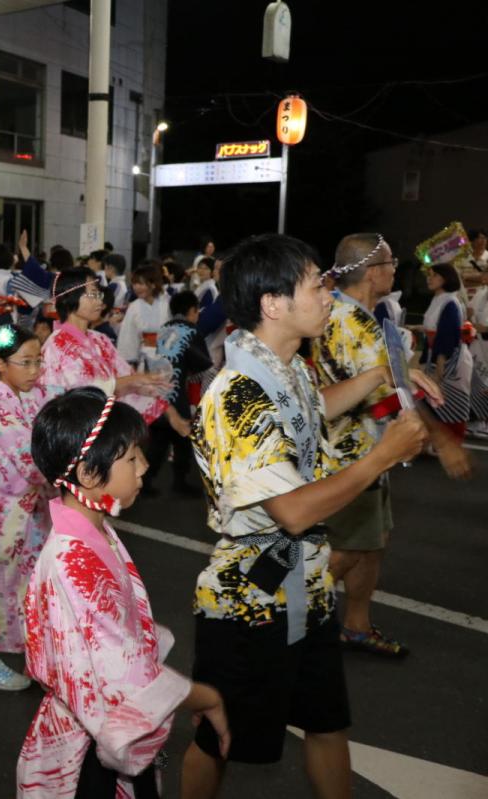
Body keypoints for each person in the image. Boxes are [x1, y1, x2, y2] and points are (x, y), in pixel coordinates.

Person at [180, 233, 427, 799]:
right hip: (249, 603)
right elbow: (291, 511)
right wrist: (381, 456)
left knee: (327, 722)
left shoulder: (286, 368)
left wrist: (381, 374)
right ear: (273, 303)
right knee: (219, 741)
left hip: (306, 588)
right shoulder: (239, 394)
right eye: (316, 282)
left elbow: (318, 408)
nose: (328, 292)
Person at [18, 387, 228, 797]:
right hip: (91, 756)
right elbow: (126, 681)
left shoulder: (91, 534)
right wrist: (204, 697)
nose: (145, 466)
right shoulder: (73, 562)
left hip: (91, 732)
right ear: (89, 475)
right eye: (131, 458)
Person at [313, 234, 469, 660]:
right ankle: (286, 621)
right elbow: (389, 394)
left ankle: (356, 625)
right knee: (347, 549)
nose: (395, 268)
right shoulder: (358, 325)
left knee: (373, 540)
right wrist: (440, 438)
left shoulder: (345, 313)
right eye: (390, 261)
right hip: (353, 455)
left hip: (364, 450)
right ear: (372, 270)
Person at [0, 325, 58, 692]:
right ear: (0, 364)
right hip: (7, 520)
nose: (35, 369)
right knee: (2, 592)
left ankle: (38, 663)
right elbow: (31, 460)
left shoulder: (33, 395)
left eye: (38, 360)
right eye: (25, 362)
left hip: (34, 514)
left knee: (33, 591)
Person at [40, 268, 171, 426]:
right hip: (81, 430)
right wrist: (131, 381)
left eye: (99, 295)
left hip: (108, 426)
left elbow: (125, 376)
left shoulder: (99, 339)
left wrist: (143, 385)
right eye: (92, 294)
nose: (99, 302)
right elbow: (82, 394)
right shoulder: (56, 345)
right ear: (70, 297)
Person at [142, 291, 212, 497]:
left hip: (160, 389)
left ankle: (146, 481)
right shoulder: (191, 330)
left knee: (159, 439)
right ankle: (180, 483)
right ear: (192, 310)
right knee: (182, 436)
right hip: (177, 392)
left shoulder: (164, 328)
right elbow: (203, 366)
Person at [419, 262, 483, 441]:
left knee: (449, 400)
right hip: (439, 356)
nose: (429, 279)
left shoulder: (450, 302)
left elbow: (446, 336)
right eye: (429, 275)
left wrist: (439, 371)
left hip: (450, 360)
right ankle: (436, 443)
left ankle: (450, 444)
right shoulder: (439, 299)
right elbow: (433, 329)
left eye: (434, 275)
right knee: (435, 401)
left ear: (446, 279)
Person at [116, 262, 170, 366]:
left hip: (168, 356)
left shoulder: (168, 303)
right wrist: (129, 362)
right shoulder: (134, 306)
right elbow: (128, 336)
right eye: (134, 284)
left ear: (153, 284)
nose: (136, 287)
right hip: (144, 356)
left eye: (141, 284)